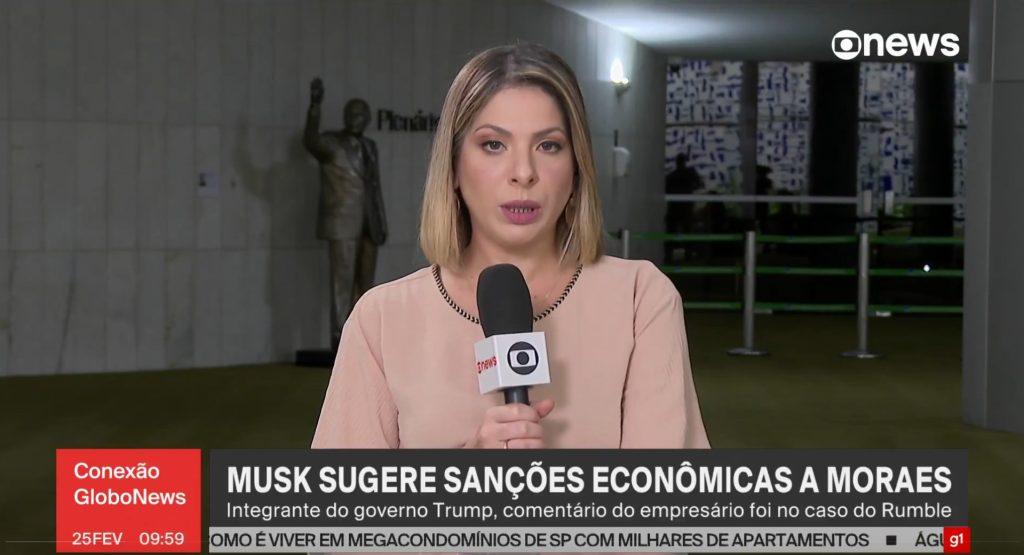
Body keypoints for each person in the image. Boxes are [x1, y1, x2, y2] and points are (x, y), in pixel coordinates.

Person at [312, 43, 709, 450]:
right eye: (493, 145)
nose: (523, 173)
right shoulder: (381, 319)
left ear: (577, 168)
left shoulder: (640, 299)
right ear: (453, 166)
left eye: (548, 145)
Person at [304, 79, 388, 350]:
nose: (356, 118)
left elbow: (374, 187)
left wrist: (381, 221)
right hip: (342, 223)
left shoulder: (370, 146)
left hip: (369, 225)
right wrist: (315, 107)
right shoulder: (332, 144)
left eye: (361, 115)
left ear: (368, 119)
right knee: (342, 282)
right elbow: (311, 141)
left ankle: (362, 338)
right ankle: (339, 337)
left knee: (366, 285)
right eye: (352, 114)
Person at [664, 152, 704, 263]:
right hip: (686, 208)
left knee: (671, 233)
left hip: (674, 208)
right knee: (687, 232)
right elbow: (699, 184)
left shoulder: (672, 176)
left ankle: (669, 256)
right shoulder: (689, 174)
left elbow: (666, 191)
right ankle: (688, 255)